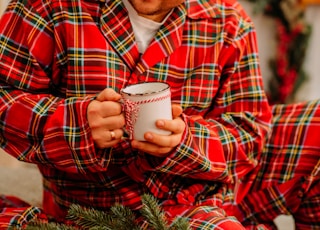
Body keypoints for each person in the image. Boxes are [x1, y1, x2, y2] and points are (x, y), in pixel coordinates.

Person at [0, 0, 319, 229]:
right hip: (99, 206)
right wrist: (73, 125)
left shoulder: (227, 20)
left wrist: (187, 140)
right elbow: (4, 100)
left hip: (201, 188)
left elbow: (248, 136)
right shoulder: (45, 8)